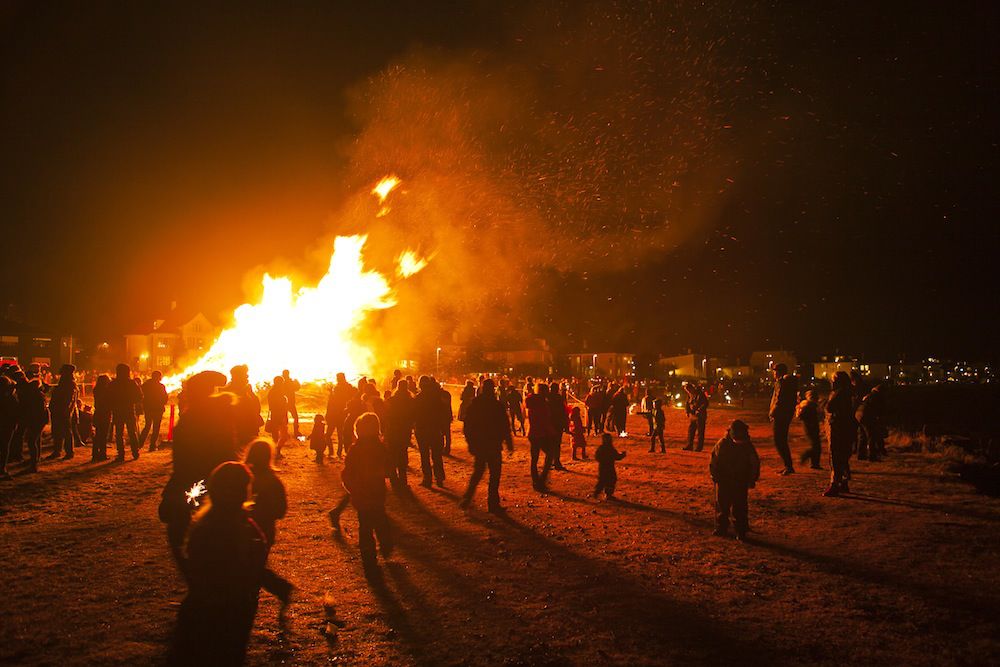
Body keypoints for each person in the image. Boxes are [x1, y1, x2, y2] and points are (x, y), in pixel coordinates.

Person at [168, 461, 267, 666]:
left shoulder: (221, 522)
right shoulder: (222, 528)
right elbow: (238, 567)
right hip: (220, 612)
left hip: (218, 608)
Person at [159, 370, 239, 575]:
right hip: (208, 484)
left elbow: (189, 461)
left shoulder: (197, 419)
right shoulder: (213, 416)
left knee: (185, 531)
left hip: (202, 484)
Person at [245, 439, 293, 620]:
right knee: (254, 565)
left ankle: (278, 588)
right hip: (265, 530)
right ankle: (274, 590)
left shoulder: (245, 476)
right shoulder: (273, 481)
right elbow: (281, 510)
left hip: (250, 529)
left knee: (252, 566)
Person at [341, 413, 393, 568]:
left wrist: (351, 487)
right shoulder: (380, 448)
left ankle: (368, 555)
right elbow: (389, 468)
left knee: (365, 524)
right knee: (379, 518)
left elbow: (348, 471)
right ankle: (386, 544)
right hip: (376, 490)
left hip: (361, 492)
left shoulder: (356, 449)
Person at [460, 378, 514, 512]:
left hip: (481, 444)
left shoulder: (475, 404)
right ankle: (492, 503)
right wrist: (509, 442)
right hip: (493, 444)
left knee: (478, 472)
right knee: (494, 475)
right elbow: (504, 425)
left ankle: (467, 497)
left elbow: (467, 425)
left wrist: (470, 442)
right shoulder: (496, 405)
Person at [709, 419, 761, 541]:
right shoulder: (722, 444)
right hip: (724, 479)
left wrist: (752, 479)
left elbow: (754, 463)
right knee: (722, 504)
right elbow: (714, 460)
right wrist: (714, 475)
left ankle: (741, 530)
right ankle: (721, 527)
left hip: (740, 480)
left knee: (740, 506)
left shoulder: (747, 445)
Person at [413, 375, 449, 487]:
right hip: (435, 429)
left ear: (420, 385)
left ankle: (427, 479)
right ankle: (439, 478)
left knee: (424, 455)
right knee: (437, 455)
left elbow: (413, 415)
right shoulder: (436, 398)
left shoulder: (417, 399)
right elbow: (442, 412)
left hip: (422, 430)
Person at [824, 371, 856, 497]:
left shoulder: (839, 393)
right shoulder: (850, 392)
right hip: (848, 427)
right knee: (843, 455)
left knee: (835, 456)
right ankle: (843, 482)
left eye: (833, 380)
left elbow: (829, 407)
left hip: (838, 427)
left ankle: (834, 484)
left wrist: (825, 403)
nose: (831, 382)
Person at [383, 382, 415, 490]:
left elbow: (386, 416)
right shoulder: (410, 401)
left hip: (392, 432)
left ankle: (394, 480)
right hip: (404, 432)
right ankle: (403, 481)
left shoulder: (391, 401)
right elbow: (412, 417)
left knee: (392, 456)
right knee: (402, 455)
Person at [768, 364, 799, 475]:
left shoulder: (782, 383)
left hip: (780, 415)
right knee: (781, 440)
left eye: (775, 371)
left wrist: (772, 412)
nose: (773, 373)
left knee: (779, 440)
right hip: (785, 414)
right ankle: (788, 465)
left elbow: (779, 399)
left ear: (779, 372)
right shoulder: (788, 383)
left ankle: (788, 466)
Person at [108, 363, 142, 462]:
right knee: (132, 432)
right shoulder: (131, 383)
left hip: (118, 411)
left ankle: (121, 454)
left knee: (119, 433)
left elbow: (108, 397)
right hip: (129, 410)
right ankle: (135, 453)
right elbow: (139, 396)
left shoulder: (113, 384)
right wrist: (130, 401)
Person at [525, 382, 556, 491]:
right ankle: (541, 480)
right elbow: (544, 420)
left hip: (532, 432)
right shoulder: (542, 404)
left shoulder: (530, 401)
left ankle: (536, 481)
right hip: (541, 433)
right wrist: (552, 432)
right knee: (550, 454)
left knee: (534, 458)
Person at [225, 365, 263, 447]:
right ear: (237, 376)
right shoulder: (228, 393)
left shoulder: (247, 390)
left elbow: (256, 407)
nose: (247, 376)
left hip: (251, 430)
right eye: (244, 374)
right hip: (240, 433)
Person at [16, 374, 47, 473]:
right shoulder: (39, 394)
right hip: (39, 420)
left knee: (32, 441)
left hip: (36, 421)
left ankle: (34, 464)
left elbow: (32, 410)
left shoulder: (34, 395)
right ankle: (35, 460)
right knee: (36, 440)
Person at [48, 364, 78, 460]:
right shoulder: (65, 382)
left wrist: (66, 410)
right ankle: (58, 450)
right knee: (58, 431)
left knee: (65, 432)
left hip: (62, 410)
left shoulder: (69, 383)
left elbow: (69, 399)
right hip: (59, 409)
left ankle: (68, 452)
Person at [327, 373, 358, 459]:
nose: (337, 379)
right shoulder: (345, 387)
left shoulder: (340, 388)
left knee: (334, 435)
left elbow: (332, 403)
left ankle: (334, 452)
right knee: (339, 435)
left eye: (338, 378)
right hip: (340, 414)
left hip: (338, 414)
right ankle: (337, 452)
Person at [139, 370, 169, 451]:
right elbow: (165, 397)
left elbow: (141, 395)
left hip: (148, 408)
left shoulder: (146, 385)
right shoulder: (161, 386)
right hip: (157, 409)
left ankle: (140, 443)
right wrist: (162, 403)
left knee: (147, 425)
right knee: (156, 427)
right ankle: (152, 445)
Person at [856, 384, 885, 462]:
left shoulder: (868, 395)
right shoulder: (876, 396)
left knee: (862, 436)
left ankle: (860, 455)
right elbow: (877, 409)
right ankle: (872, 456)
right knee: (871, 436)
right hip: (866, 416)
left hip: (859, 415)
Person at [594, 432, 626, 500]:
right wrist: (623, 455)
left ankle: (597, 492)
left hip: (602, 467)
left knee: (602, 480)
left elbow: (597, 457)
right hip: (610, 467)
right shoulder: (611, 449)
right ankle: (607, 494)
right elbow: (617, 457)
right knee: (611, 480)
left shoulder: (601, 448)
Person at [796, 389, 823, 469]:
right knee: (816, 447)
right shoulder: (809, 406)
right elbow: (805, 416)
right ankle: (804, 457)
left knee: (816, 446)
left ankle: (814, 464)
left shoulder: (809, 405)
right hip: (811, 428)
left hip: (811, 427)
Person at [546, 381, 568, 471]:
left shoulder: (547, 397)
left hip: (550, 423)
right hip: (557, 423)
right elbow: (563, 412)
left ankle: (550, 462)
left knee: (550, 444)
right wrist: (565, 424)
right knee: (557, 443)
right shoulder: (559, 398)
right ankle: (556, 462)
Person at [266, 376, 289, 457]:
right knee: (281, 436)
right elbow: (276, 405)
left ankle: (276, 451)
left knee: (279, 435)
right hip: (278, 415)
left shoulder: (273, 392)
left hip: (277, 415)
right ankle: (276, 451)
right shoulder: (275, 392)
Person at [0, 376, 18, 480]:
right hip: (7, 426)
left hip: (7, 425)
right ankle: (2, 468)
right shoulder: (11, 397)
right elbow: (15, 412)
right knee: (5, 447)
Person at [849, 369, 870, 459]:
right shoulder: (860, 385)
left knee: (857, 432)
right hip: (859, 410)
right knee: (860, 433)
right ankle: (858, 451)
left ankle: (857, 450)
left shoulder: (855, 386)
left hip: (856, 410)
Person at [91, 374, 112, 461]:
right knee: (103, 435)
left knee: (98, 434)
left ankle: (95, 453)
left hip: (97, 413)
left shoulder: (96, 389)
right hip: (105, 413)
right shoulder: (107, 391)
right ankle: (102, 454)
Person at [683, 382, 708, 452]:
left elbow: (705, 403)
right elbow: (687, 403)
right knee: (691, 431)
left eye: (688, 390)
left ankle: (699, 447)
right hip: (693, 415)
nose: (688, 392)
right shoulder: (689, 395)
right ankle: (689, 445)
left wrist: (699, 410)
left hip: (700, 416)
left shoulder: (700, 394)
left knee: (700, 432)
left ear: (692, 388)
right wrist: (687, 411)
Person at [281, 369, 302, 438]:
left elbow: (297, 388)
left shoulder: (283, 382)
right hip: (288, 403)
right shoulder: (289, 382)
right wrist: (296, 382)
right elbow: (297, 387)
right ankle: (294, 432)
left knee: (286, 419)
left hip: (286, 403)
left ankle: (287, 433)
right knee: (294, 417)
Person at [439, 380, 453, 455]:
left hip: (443, 416)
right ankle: (447, 448)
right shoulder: (446, 393)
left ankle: (444, 448)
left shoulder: (439, 395)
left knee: (442, 433)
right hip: (446, 416)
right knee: (446, 433)